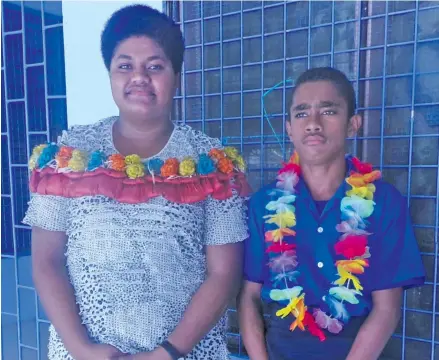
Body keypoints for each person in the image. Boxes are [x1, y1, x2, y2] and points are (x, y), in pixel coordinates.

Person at [24, 5, 250, 360]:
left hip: (186, 353)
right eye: (125, 65)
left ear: (176, 74)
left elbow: (224, 274)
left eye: (155, 66)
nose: (139, 77)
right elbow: (46, 261)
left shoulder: (213, 162)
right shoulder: (68, 154)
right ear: (110, 73)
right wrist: (83, 349)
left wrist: (167, 352)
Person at [238, 67, 425, 360]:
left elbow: (387, 309)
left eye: (328, 111)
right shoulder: (265, 205)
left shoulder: (384, 202)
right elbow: (249, 295)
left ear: (353, 124)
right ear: (288, 128)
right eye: (301, 113)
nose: (312, 124)